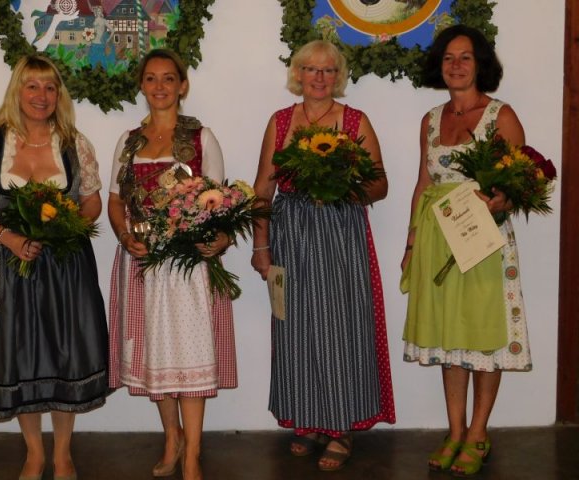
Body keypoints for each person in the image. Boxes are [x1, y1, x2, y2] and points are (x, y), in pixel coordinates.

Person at [0, 55, 108, 480]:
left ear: (59, 95)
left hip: (66, 268)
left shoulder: (74, 144)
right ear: (17, 91)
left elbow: (92, 202)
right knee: (17, 354)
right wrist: (9, 238)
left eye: (50, 87)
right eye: (32, 86)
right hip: (7, 266)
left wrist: (67, 225)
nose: (42, 96)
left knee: (67, 354)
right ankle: (34, 453)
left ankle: (63, 454)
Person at [251, 40, 396, 472]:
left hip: (340, 234)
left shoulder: (355, 121)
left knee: (341, 326)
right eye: (311, 69)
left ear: (339, 76)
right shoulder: (280, 121)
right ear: (298, 74)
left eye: (328, 70)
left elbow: (380, 185)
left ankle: (341, 427)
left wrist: (340, 187)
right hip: (291, 234)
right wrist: (261, 247)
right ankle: (308, 419)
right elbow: (262, 189)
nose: (319, 77)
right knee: (294, 327)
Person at [400, 25, 532, 477]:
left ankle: (478, 433)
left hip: (483, 240)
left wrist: (502, 199)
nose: (456, 65)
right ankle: (455, 431)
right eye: (448, 58)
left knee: (483, 334)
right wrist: (411, 242)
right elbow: (423, 183)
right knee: (450, 336)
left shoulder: (501, 116)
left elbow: (521, 182)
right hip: (438, 238)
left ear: (480, 65)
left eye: (466, 57)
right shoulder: (431, 120)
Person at [107, 49, 237, 480]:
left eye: (168, 78)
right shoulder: (128, 142)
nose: (159, 86)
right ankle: (171, 438)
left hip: (188, 265)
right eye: (151, 78)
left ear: (182, 85)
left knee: (190, 355)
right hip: (142, 261)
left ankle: (193, 452)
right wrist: (125, 236)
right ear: (141, 86)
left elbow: (219, 200)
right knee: (155, 354)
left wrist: (220, 237)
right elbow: (115, 202)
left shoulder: (202, 138)